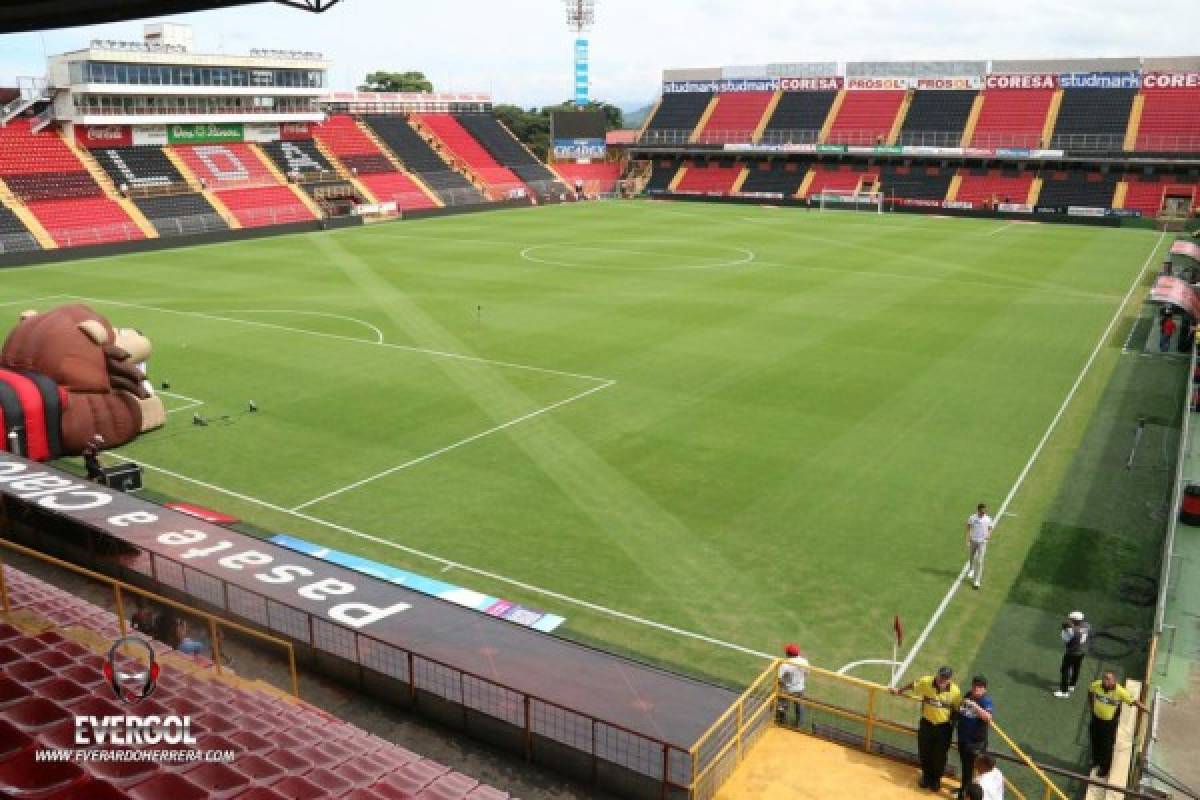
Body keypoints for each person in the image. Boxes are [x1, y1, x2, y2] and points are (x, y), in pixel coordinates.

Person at [892, 666, 962, 792]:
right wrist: (899, 690)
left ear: (950, 679)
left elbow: (956, 709)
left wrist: (954, 725)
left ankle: (936, 779)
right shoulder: (926, 682)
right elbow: (913, 685)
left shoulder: (955, 691)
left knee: (940, 755)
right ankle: (926, 776)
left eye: (945, 678)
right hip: (926, 724)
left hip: (944, 727)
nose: (942, 680)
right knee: (924, 751)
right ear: (937, 674)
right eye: (941, 676)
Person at [1088, 671, 1147, 777]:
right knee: (1095, 740)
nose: (1106, 681)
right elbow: (1090, 691)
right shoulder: (1097, 685)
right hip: (1096, 719)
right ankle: (1095, 760)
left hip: (1108, 724)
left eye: (1109, 679)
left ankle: (1104, 768)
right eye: (1105, 678)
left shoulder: (1120, 691)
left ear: (1114, 681)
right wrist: (1091, 707)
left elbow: (1133, 701)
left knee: (1106, 746)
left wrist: (1146, 709)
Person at [956, 676, 995, 796]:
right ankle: (964, 790)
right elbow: (961, 710)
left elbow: (988, 717)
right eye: (974, 686)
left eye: (979, 687)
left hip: (975, 743)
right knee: (966, 767)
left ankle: (970, 795)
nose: (976, 689)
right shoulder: (968, 694)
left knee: (976, 771)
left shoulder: (985, 701)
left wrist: (975, 705)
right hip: (963, 739)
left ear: (984, 689)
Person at [1055, 611, 1089, 697]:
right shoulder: (1086, 626)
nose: (1069, 620)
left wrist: (1064, 630)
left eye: (1071, 619)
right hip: (1082, 652)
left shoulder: (1071, 631)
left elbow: (1065, 639)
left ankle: (1064, 692)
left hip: (1071, 653)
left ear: (1074, 620)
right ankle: (1072, 685)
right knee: (1076, 668)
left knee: (1065, 671)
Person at [776, 643, 809, 728]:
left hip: (787, 689)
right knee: (799, 707)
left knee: (782, 706)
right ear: (798, 653)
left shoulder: (785, 664)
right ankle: (799, 726)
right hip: (800, 688)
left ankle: (781, 723)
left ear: (788, 654)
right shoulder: (804, 661)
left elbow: (779, 678)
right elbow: (807, 673)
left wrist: (783, 687)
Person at [965, 503, 993, 589]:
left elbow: (990, 528)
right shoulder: (972, 518)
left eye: (985, 511)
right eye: (982, 511)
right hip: (973, 540)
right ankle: (971, 569)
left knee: (980, 561)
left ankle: (977, 581)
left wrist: (988, 535)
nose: (984, 512)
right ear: (978, 510)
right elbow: (968, 527)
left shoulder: (988, 519)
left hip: (982, 542)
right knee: (971, 556)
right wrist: (967, 538)